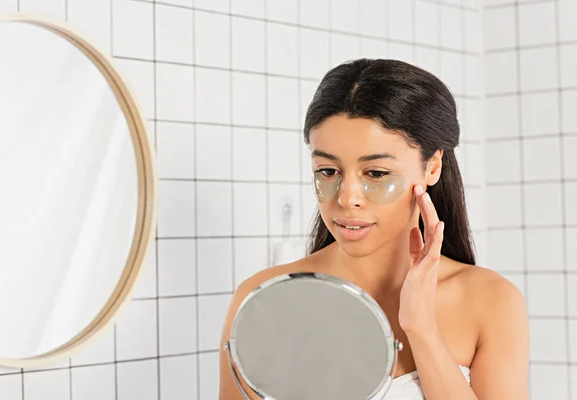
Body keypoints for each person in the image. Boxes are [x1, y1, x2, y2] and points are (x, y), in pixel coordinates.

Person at [219, 58, 530, 399]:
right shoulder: (263, 300)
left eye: (376, 174)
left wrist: (421, 329)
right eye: (327, 171)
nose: (347, 198)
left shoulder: (490, 301)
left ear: (432, 167)